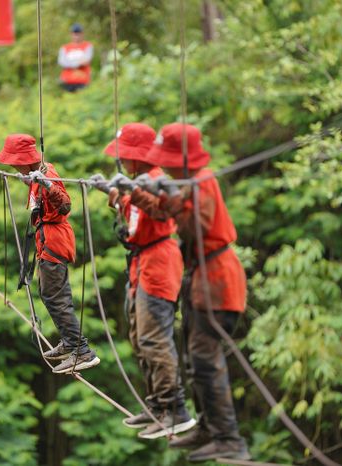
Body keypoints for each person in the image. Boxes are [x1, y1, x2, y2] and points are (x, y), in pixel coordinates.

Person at [122, 123, 251, 462]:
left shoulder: (202, 181)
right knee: (195, 359)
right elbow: (165, 212)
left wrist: (174, 196)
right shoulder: (184, 182)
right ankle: (209, 429)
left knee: (206, 360)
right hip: (200, 278)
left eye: (167, 161)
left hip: (218, 277)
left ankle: (228, 439)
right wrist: (135, 192)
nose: (163, 166)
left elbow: (197, 227)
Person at [93, 123, 195, 439]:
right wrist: (111, 193)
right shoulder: (138, 182)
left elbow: (161, 212)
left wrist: (131, 190)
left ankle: (175, 409)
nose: (121, 160)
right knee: (139, 337)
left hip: (159, 263)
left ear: (136, 157)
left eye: (125, 155)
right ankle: (157, 406)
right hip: (141, 264)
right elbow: (134, 211)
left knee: (154, 338)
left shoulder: (154, 181)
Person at [0, 134, 100, 374]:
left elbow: (64, 205)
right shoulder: (37, 173)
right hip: (47, 239)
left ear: (26, 159)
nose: (12, 166)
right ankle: (69, 342)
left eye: (14, 162)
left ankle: (80, 349)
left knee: (56, 296)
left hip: (54, 239)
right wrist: (31, 182)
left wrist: (46, 184)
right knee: (49, 293)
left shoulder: (46, 175)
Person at [57, 23, 93, 92]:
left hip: (83, 81)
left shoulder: (87, 46)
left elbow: (86, 61)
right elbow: (61, 62)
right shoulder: (65, 48)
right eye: (75, 33)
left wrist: (70, 63)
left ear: (82, 34)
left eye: (78, 33)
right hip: (66, 81)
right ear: (71, 34)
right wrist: (77, 63)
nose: (77, 36)